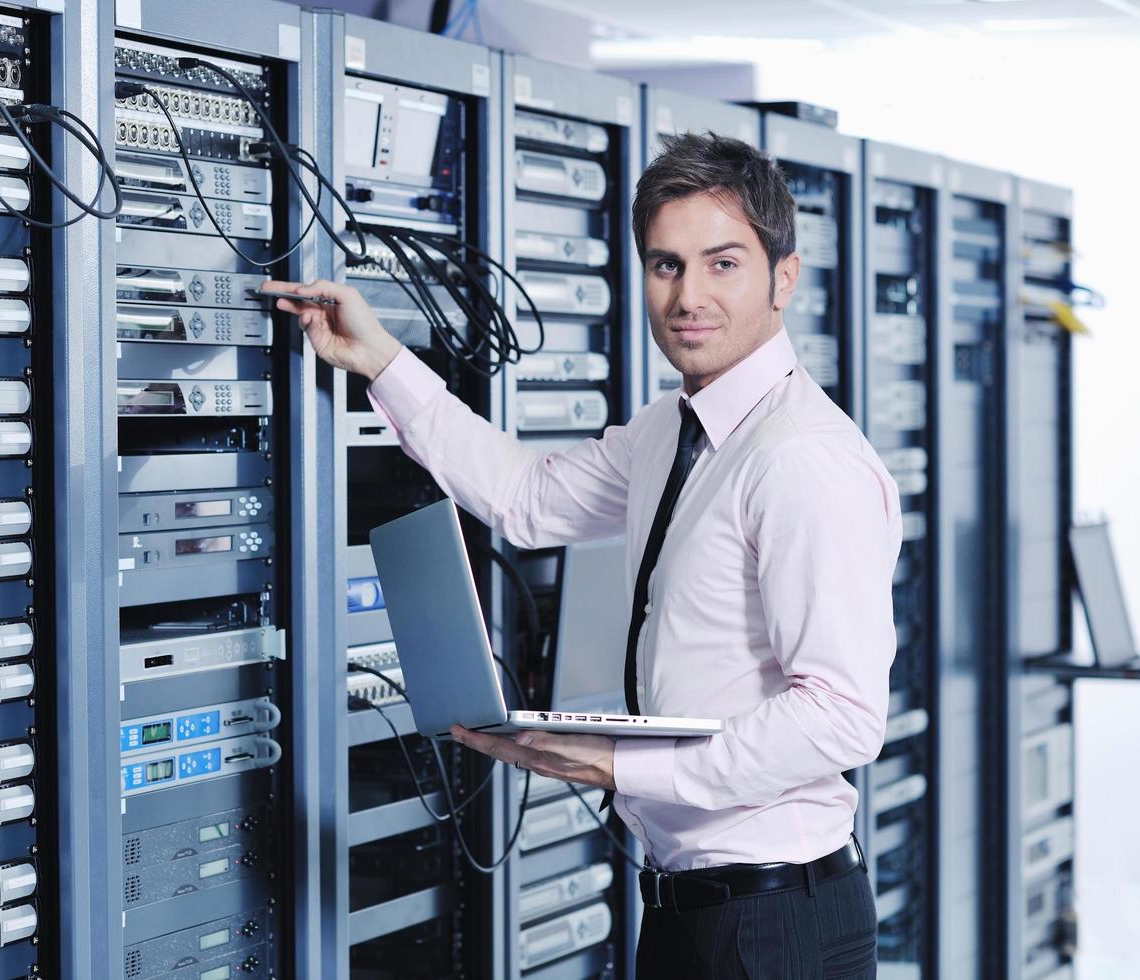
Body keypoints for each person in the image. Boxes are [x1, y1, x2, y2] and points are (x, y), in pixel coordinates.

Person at [264, 131, 900, 978]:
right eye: (666, 265)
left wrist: (615, 763)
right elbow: (527, 500)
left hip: (774, 921)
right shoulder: (672, 433)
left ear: (784, 278)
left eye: (723, 264)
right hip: (688, 906)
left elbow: (843, 715)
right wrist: (379, 360)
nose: (687, 296)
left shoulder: (802, 459)